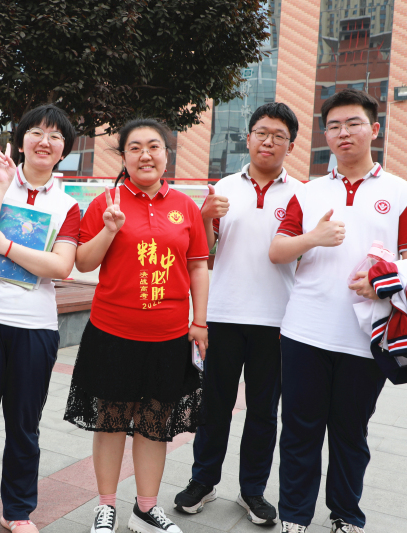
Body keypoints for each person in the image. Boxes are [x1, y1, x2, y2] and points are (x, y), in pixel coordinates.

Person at [268, 89, 407, 533]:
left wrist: (383, 282)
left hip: (367, 336)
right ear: (325, 135)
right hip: (304, 332)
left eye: (353, 123)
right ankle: (295, 516)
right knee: (299, 430)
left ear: (374, 129)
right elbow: (277, 251)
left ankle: (346, 515)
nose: (344, 133)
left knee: (350, 432)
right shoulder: (309, 193)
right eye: (334, 126)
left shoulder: (401, 193)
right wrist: (312, 239)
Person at [64, 118, 210, 533]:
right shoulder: (105, 202)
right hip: (113, 335)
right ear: (124, 157)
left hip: (168, 337)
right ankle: (106, 506)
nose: (145, 155)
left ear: (166, 154)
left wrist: (199, 322)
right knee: (111, 421)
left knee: (154, 424)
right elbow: (83, 262)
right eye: (135, 148)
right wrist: (110, 230)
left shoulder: (184, 206)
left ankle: (145, 510)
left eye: (154, 146)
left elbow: (198, 267)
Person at [172, 103, 302, 525]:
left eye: (278, 136)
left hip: (277, 321)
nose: (268, 141)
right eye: (261, 133)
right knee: (215, 406)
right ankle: (203, 482)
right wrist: (204, 219)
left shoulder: (302, 194)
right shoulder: (223, 187)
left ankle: (252, 491)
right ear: (248, 138)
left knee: (264, 412)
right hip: (224, 316)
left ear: (291, 145)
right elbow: (202, 254)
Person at [0, 105, 80, 533]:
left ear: (64, 149)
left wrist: (5, 246)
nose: (45, 141)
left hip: (35, 327)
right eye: (36, 132)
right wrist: (1, 185)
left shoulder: (67, 205)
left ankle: (18, 511)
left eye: (55, 136)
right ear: (21, 139)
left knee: (25, 427)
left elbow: (61, 266)